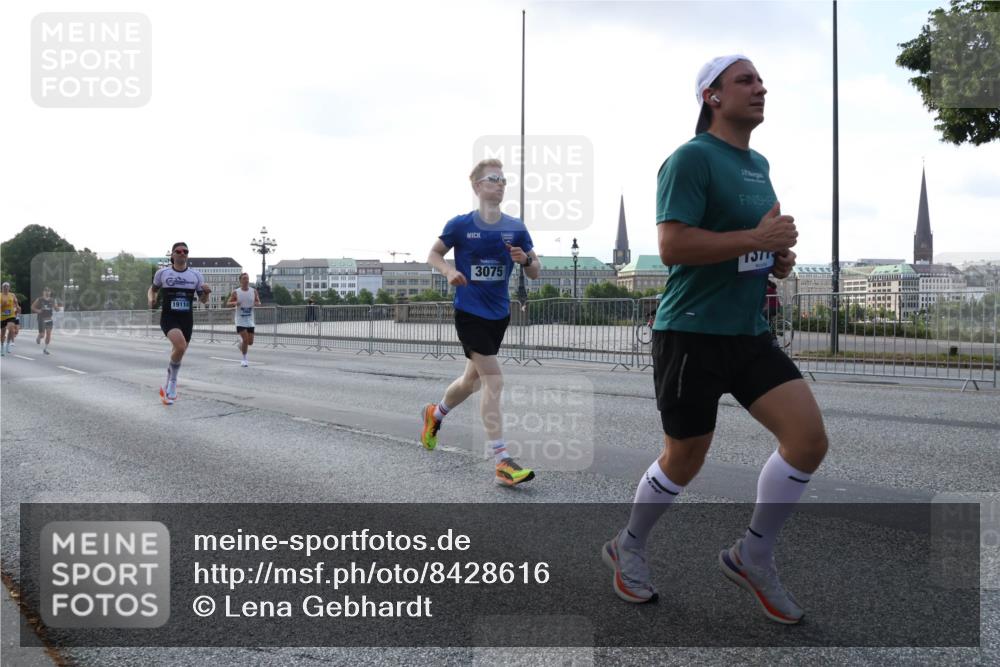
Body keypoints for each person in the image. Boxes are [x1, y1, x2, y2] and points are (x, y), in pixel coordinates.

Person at [602, 55, 828, 624]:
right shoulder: (689, 159)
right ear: (712, 96)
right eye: (745, 80)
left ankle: (753, 553)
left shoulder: (759, 164)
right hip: (691, 333)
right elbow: (674, 246)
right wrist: (756, 236)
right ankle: (628, 544)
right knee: (685, 457)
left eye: (760, 80)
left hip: (749, 332)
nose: (760, 88)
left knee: (808, 440)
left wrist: (774, 258)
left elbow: (746, 248)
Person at [421, 158, 542, 487]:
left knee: (470, 382)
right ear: (477, 186)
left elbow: (535, 270)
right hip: (469, 312)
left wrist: (526, 259)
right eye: (493, 179)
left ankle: (435, 414)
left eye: (503, 180)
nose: (500, 184)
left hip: (499, 315)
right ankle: (502, 461)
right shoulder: (460, 224)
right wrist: (448, 271)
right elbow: (433, 254)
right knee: (494, 380)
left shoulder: (515, 227)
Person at [148, 242, 211, 405]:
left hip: (186, 318)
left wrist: (206, 293)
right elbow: (153, 289)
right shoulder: (163, 273)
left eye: (185, 251)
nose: (182, 253)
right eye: (179, 251)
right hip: (169, 316)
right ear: (173, 255)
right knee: (181, 346)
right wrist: (151, 299)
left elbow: (203, 301)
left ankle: (166, 386)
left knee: (179, 352)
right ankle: (173, 384)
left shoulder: (196, 276)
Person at [228, 272, 261, 367]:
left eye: (247, 278)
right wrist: (235, 302)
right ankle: (244, 360)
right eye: (244, 279)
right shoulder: (236, 292)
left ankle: (241, 344)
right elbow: (228, 303)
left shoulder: (253, 291)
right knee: (246, 339)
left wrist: (257, 304)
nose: (246, 280)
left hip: (250, 319)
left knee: (250, 342)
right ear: (240, 281)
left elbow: (258, 301)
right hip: (240, 320)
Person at [31, 287, 62, 355]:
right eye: (46, 291)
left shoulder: (52, 300)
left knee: (48, 334)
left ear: (50, 292)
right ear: (43, 292)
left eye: (48, 291)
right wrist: (38, 310)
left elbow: (56, 308)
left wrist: (57, 308)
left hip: (49, 318)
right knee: (42, 335)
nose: (47, 292)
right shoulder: (39, 299)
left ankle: (45, 349)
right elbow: (32, 307)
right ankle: (39, 337)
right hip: (41, 318)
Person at [1, 282, 20, 356]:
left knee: (11, 329)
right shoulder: (0, 295)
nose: (6, 288)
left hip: (11, 315)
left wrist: (17, 306)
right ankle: (2, 346)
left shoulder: (12, 295)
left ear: (9, 288)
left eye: (7, 287)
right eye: (4, 287)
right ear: (2, 288)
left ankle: (8, 344)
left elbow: (16, 302)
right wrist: (2, 304)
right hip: (2, 316)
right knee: (2, 334)